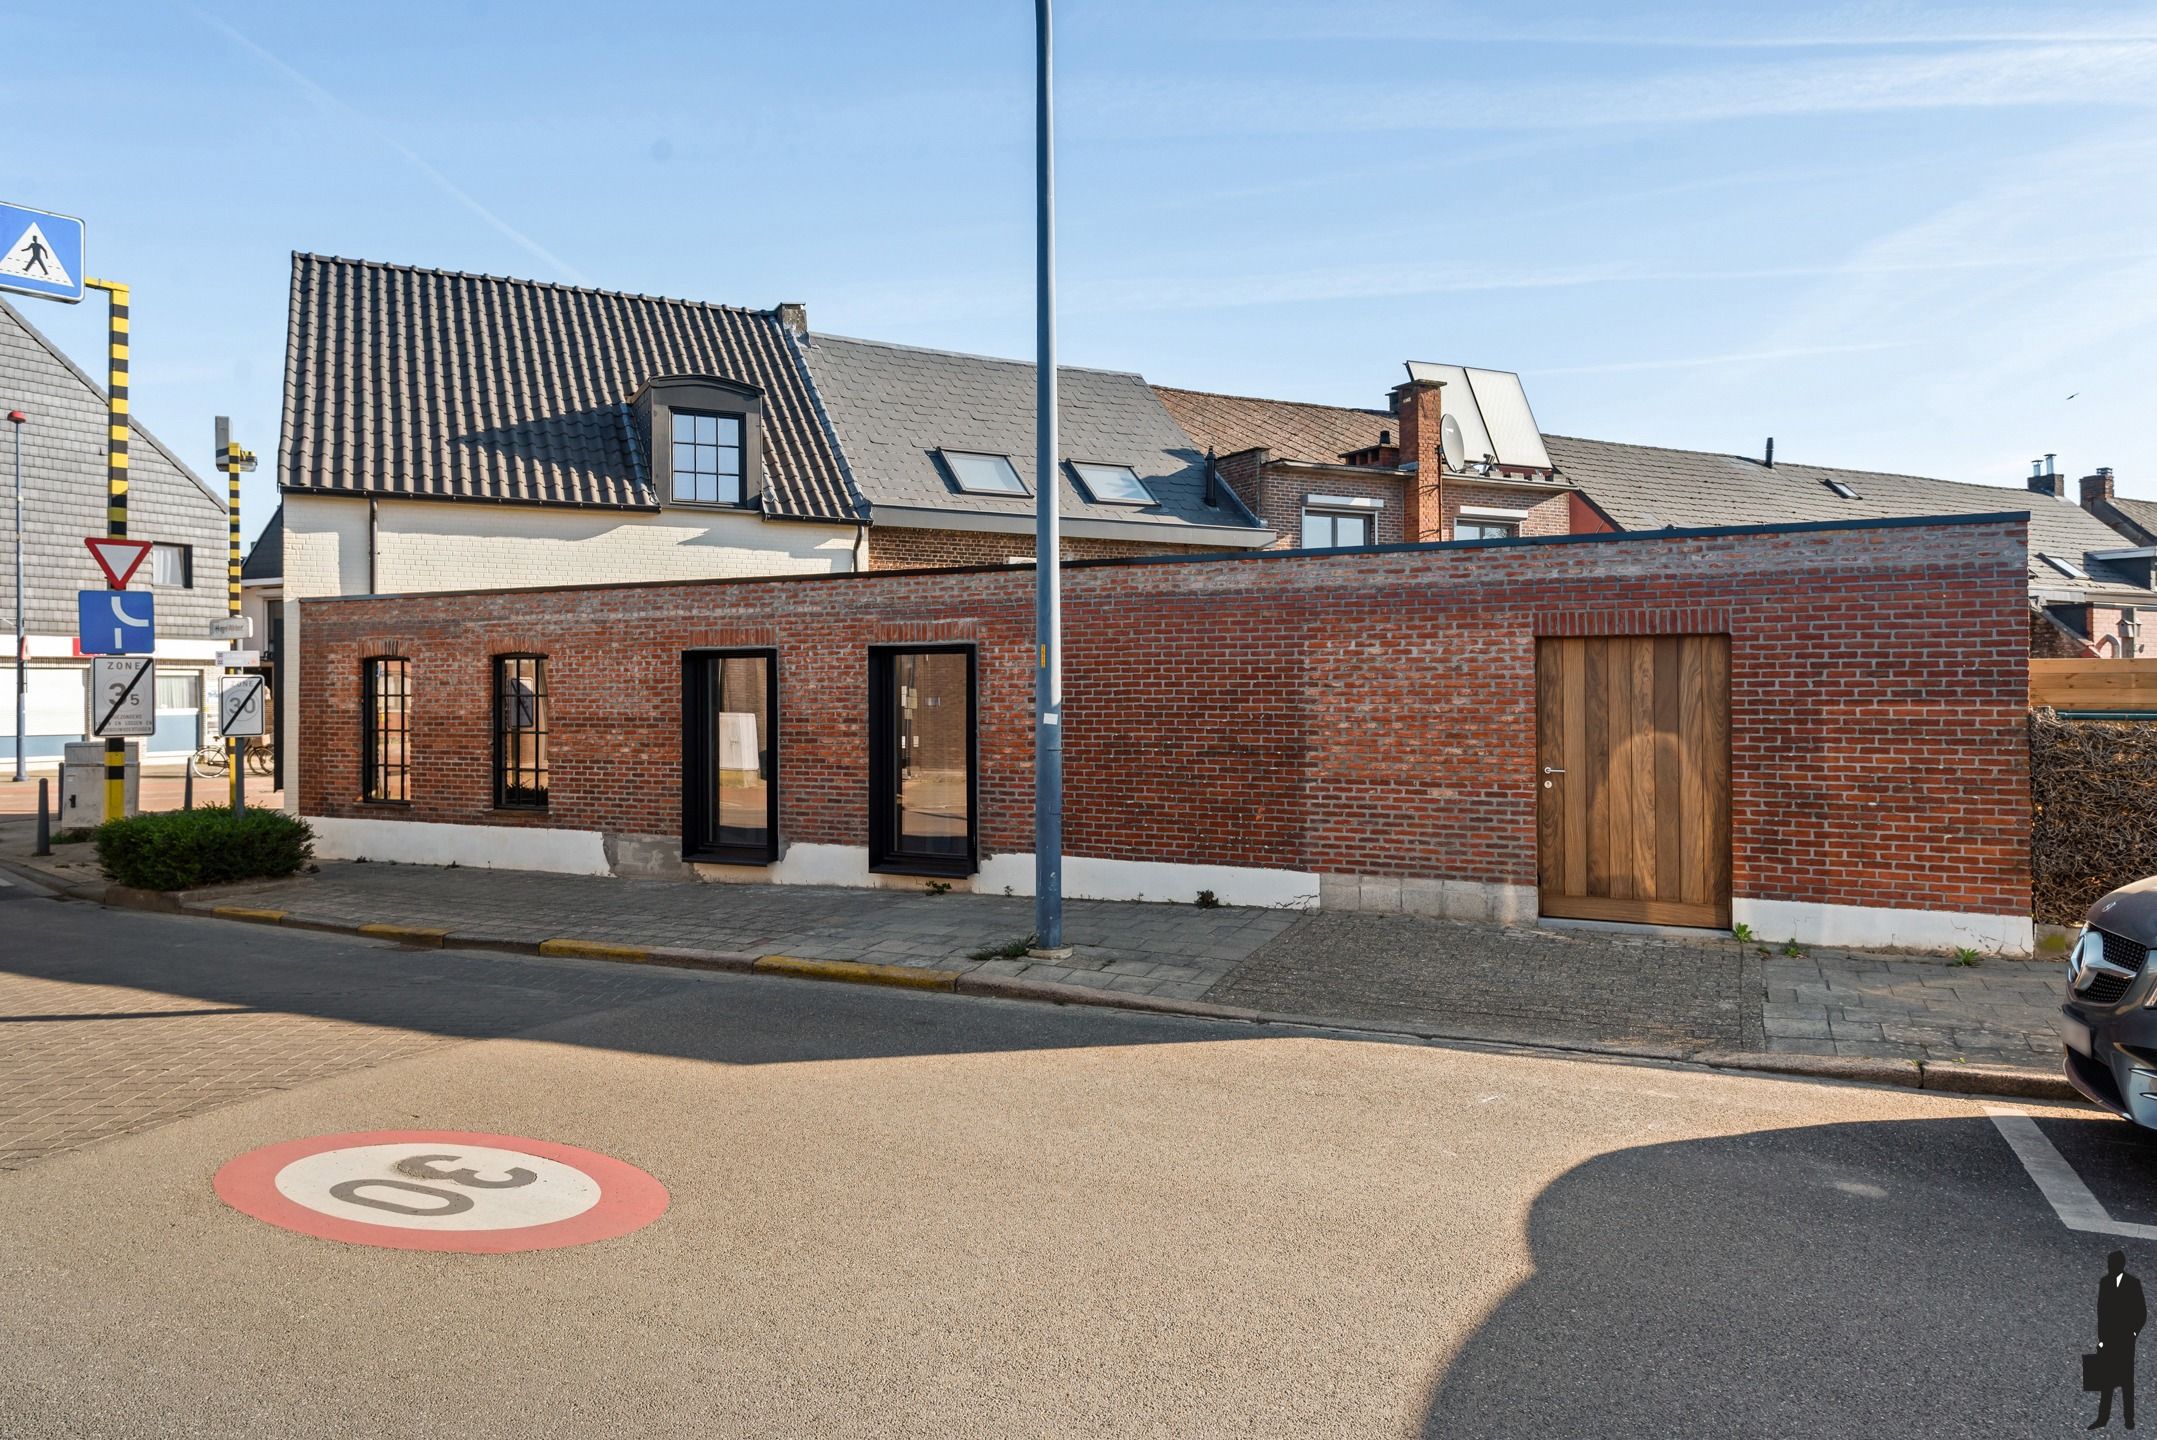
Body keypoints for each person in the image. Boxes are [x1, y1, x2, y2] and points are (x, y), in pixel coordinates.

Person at [2094, 1250, 2146, 1430]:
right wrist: (2101, 1338)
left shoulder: (2133, 1284)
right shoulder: (2105, 1282)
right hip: (2109, 1339)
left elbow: (2141, 1313)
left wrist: (2133, 1334)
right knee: (2106, 1380)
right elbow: (2101, 1312)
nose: (2110, 1267)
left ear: (2119, 1265)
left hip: (2125, 1339)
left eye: (2112, 1264)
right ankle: (2103, 1418)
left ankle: (2128, 1418)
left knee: (2126, 1381)